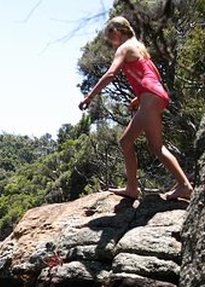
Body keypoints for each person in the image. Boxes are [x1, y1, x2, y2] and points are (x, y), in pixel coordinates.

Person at [78, 16, 194, 201]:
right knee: (126, 142)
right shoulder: (139, 46)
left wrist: (90, 96)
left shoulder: (124, 48)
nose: (110, 42)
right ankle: (132, 188)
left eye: (110, 37)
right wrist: (138, 98)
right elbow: (153, 74)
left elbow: (111, 73)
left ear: (116, 32)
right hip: (153, 96)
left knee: (157, 147)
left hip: (150, 97)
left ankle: (184, 186)